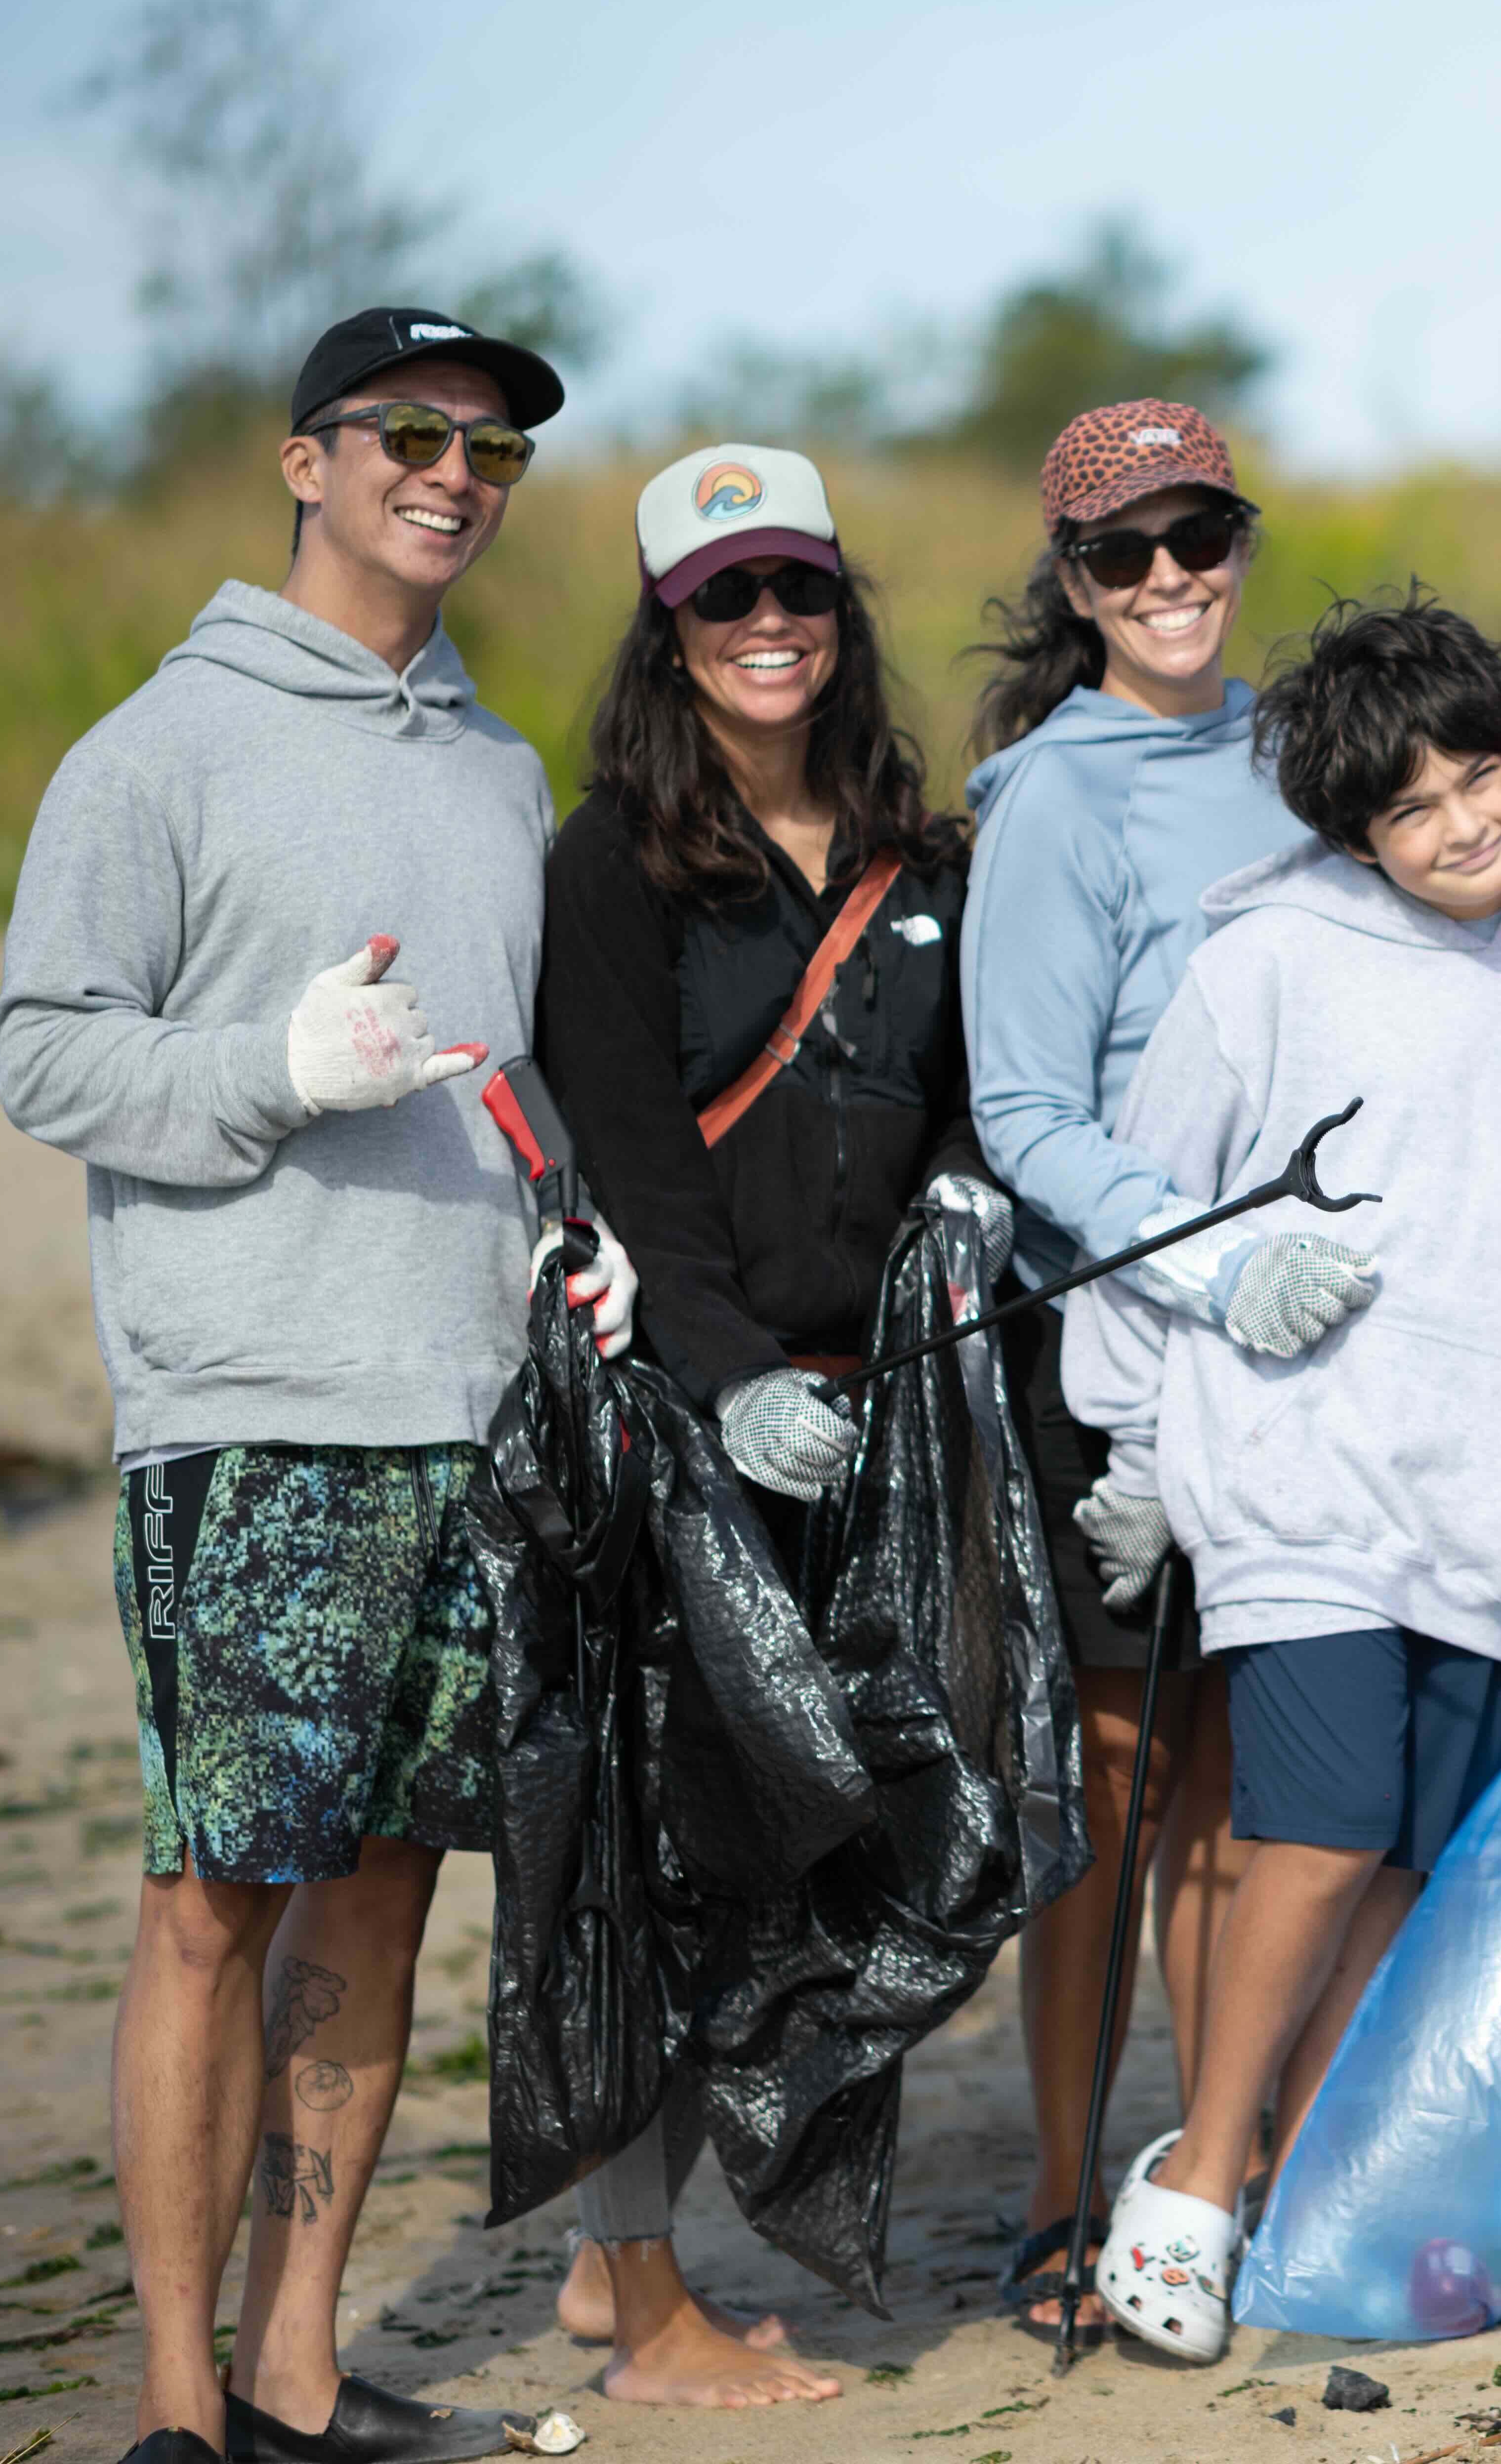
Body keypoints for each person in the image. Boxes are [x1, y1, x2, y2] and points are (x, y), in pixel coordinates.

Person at [0, 308, 638, 2464]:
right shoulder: (152, 750)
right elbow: (49, 1051)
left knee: (382, 1889)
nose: (452, 471)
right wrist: (266, 1068)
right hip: (254, 1401)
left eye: (490, 450)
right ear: (306, 458)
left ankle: (292, 2360)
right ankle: (177, 2407)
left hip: (465, 1405)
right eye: (408, 433)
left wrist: (569, 1221)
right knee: (213, 1896)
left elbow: (496, 1060)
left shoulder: (495, 763)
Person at [1067, 589, 1501, 2360]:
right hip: (1297, 1477)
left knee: (1408, 1862)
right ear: (1352, 832)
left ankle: (1321, 2188)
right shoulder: (1261, 962)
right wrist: (1131, 1443)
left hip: (1489, 1507)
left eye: (1480, 779)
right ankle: (1193, 2185)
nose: (1464, 826)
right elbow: (1146, 1198)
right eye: (1411, 812)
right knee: (1313, 1839)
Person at [529, 441, 1004, 2406]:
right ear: (671, 627)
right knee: (645, 1846)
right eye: (725, 597)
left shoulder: (926, 857)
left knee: (828, 1836)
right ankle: (642, 2305)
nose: (769, 628)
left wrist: (973, 1185)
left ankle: (616, 2248)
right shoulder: (607, 863)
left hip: (879, 1430)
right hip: (678, 1425)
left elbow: (972, 1092)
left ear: (841, 607)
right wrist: (725, 1380)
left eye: (796, 589)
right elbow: (630, 1162)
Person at [957, 399, 1351, 2336]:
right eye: (1124, 553)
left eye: (1199, 538)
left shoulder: (1301, 749)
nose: (1170, 579)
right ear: (1073, 583)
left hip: (1296, 1343)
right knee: (1106, 1790)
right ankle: (1049, 2197)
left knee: (1221, 1778)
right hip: (1112, 1350)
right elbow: (1022, 1103)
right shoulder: (1048, 791)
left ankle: (1202, 2181)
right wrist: (1198, 1247)